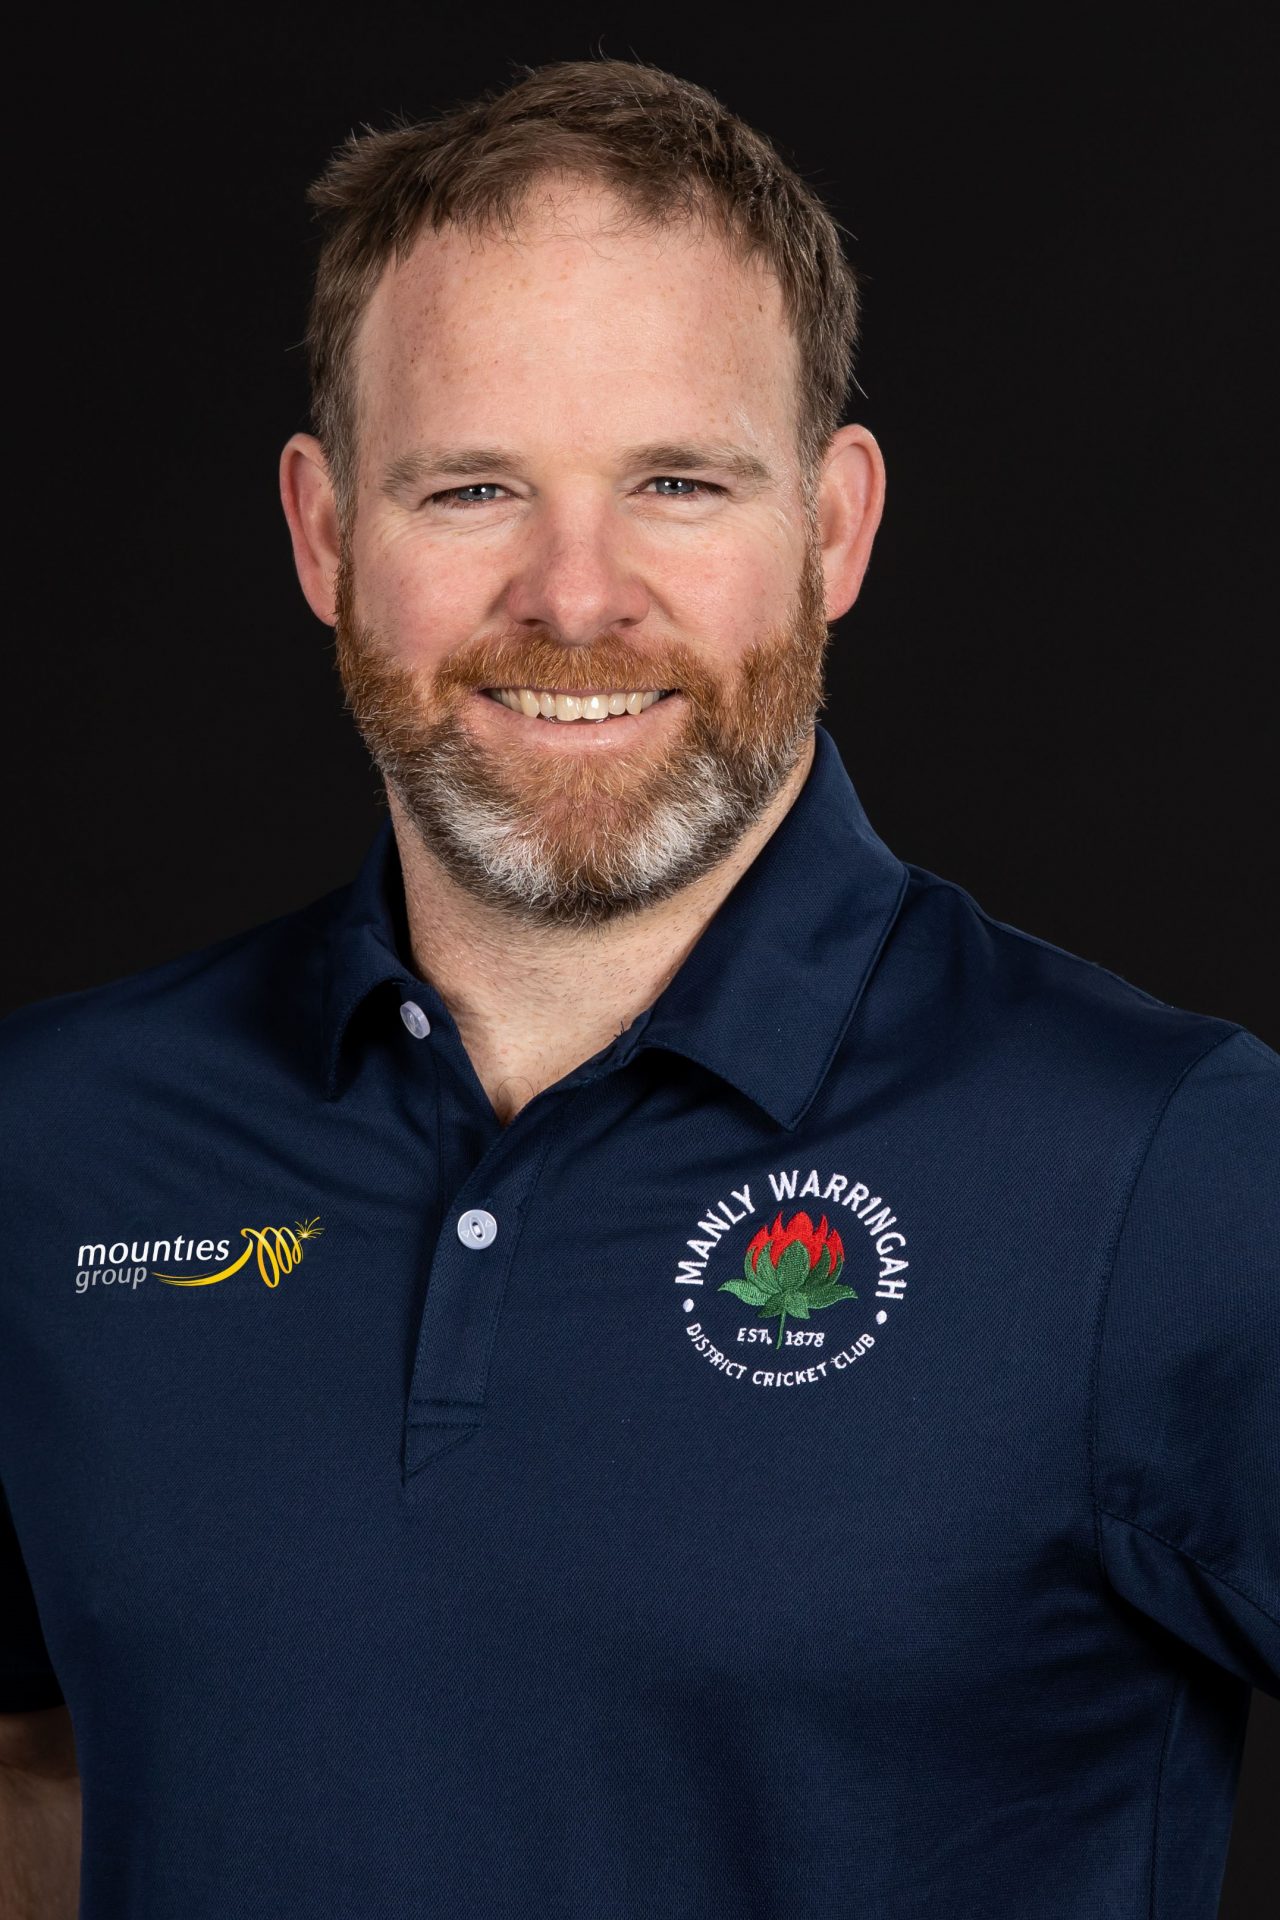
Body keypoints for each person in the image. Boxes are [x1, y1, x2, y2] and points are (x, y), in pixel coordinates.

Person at [1, 54, 1275, 1920]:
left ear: (833, 528)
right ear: (327, 533)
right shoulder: (52, 1144)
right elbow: (45, 1777)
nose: (578, 595)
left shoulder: (1167, 1168)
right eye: (472, 487)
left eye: (677, 481)